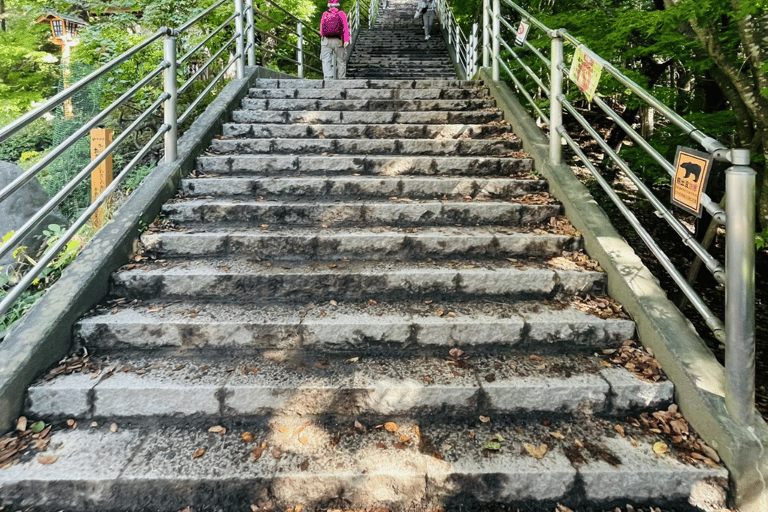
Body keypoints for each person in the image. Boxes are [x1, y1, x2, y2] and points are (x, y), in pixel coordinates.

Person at [320, 1, 350, 80]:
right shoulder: (341, 14)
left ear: (329, 5)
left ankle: (328, 78)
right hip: (338, 40)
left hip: (326, 40)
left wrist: (323, 36)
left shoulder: (325, 14)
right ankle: (341, 78)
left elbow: (321, 29)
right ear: (338, 5)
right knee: (341, 60)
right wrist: (346, 39)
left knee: (326, 60)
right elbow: (346, 27)